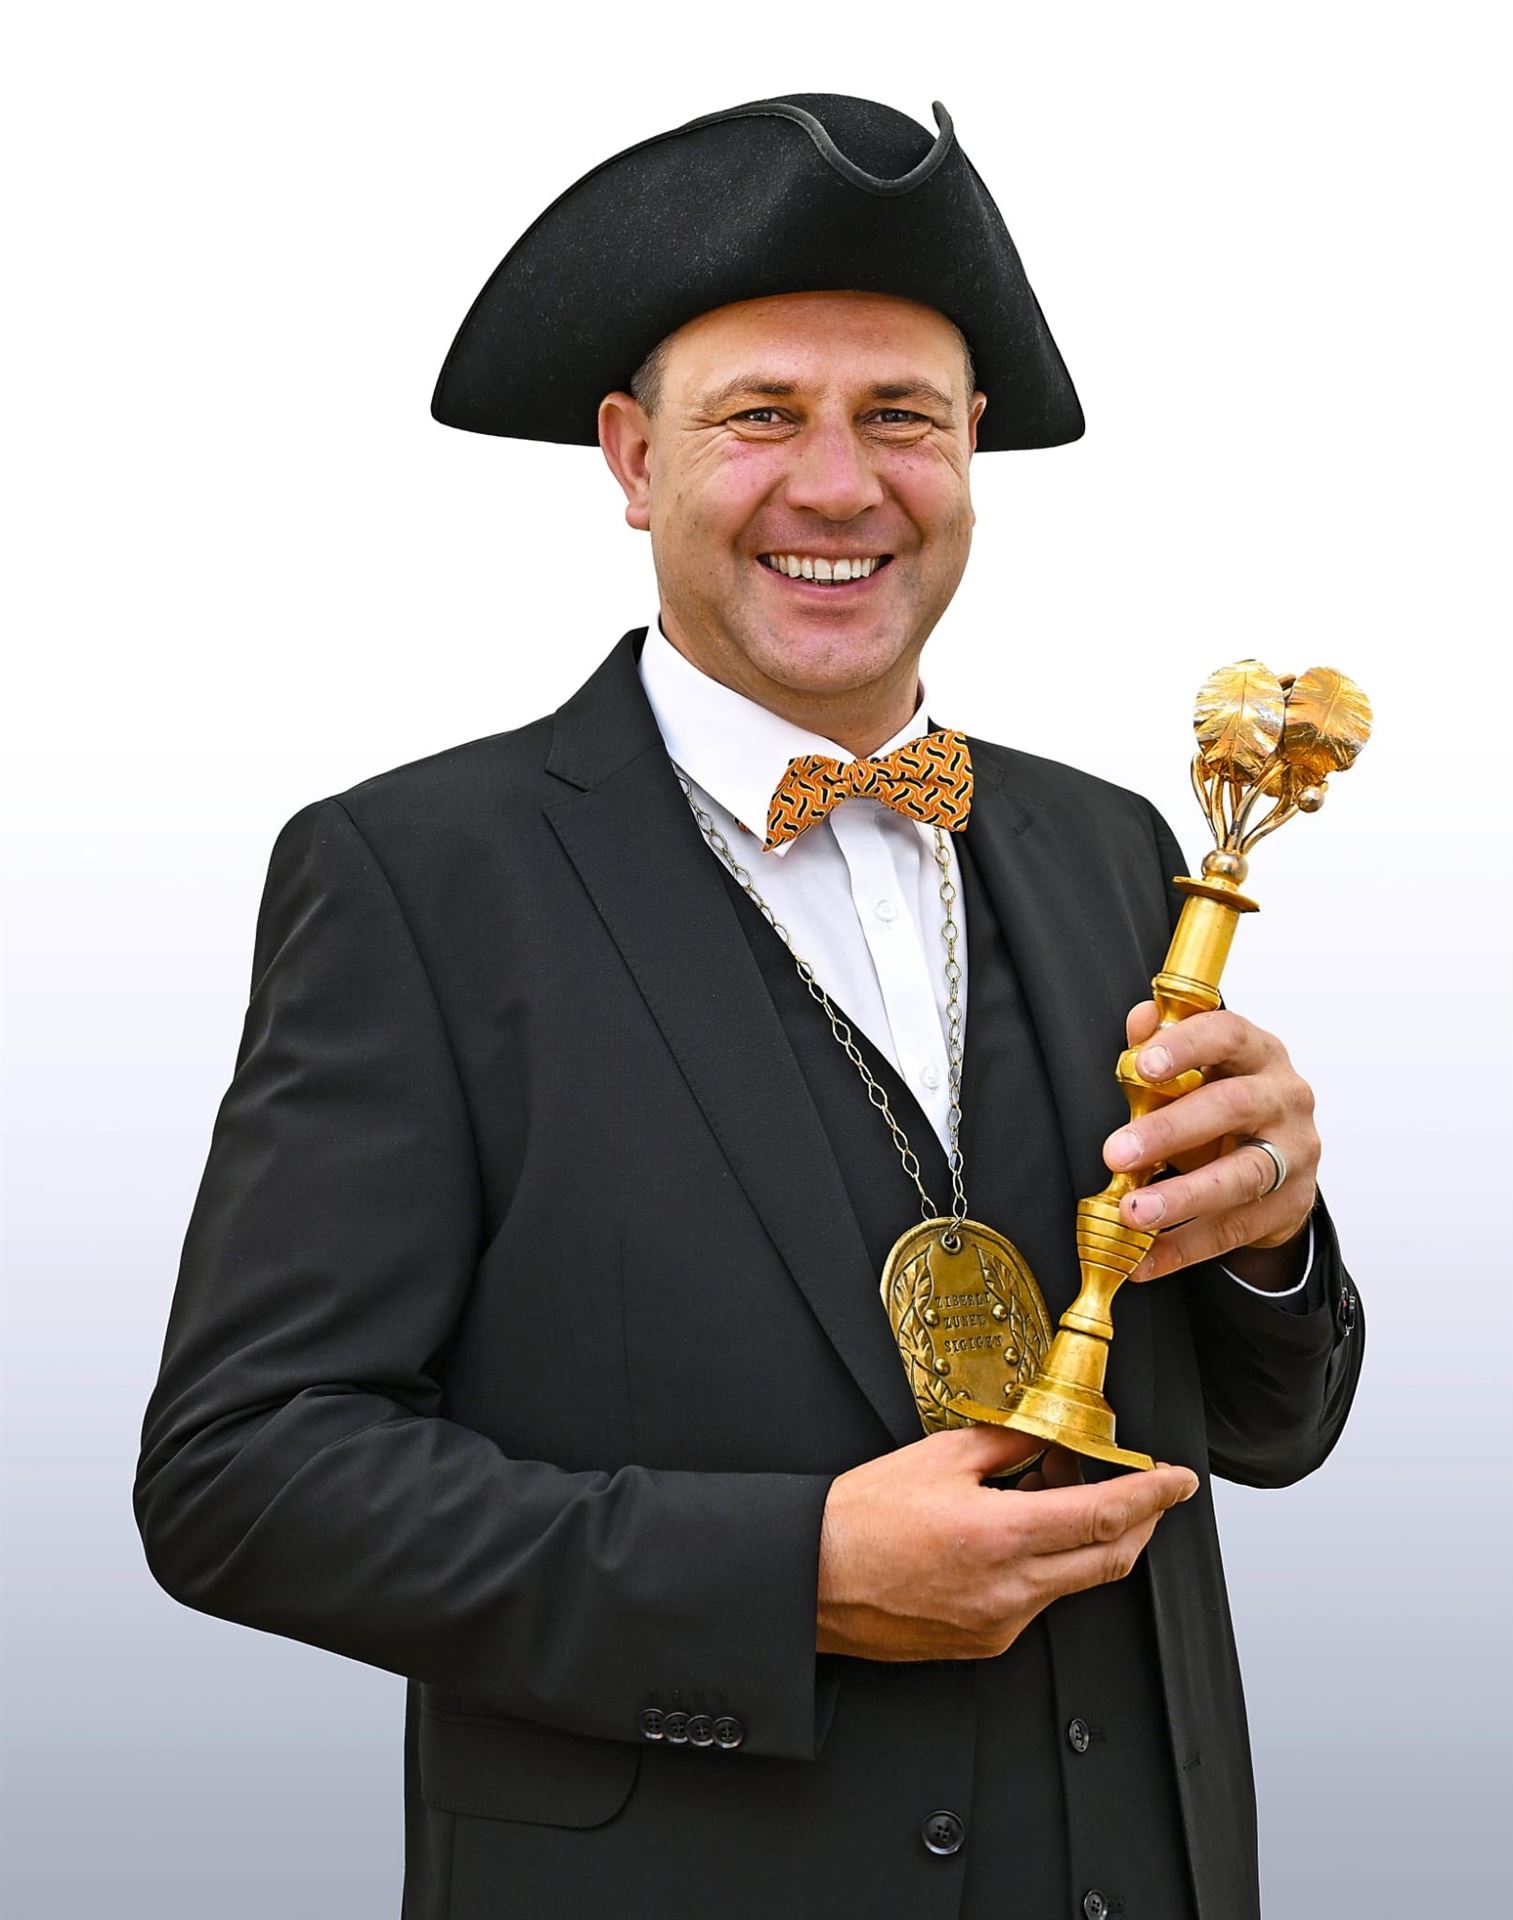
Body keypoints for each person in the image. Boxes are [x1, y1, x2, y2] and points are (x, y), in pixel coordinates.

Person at [134, 93, 1364, 1920]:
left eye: (902, 417)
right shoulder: (414, 876)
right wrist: (785, 1578)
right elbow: (240, 1480)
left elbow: (1268, 1428)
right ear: (634, 460)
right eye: (763, 415)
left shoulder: (1118, 847)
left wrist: (1269, 1242)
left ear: (972, 450)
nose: (841, 485)